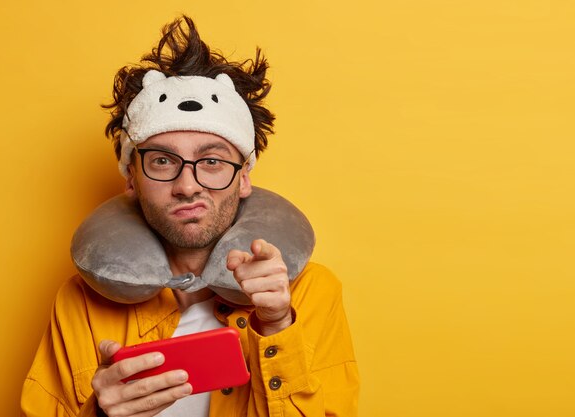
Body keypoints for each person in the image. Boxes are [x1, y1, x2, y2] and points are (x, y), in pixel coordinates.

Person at [21, 15, 359, 417]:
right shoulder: (80, 301)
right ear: (131, 177)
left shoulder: (310, 293)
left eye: (211, 160)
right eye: (163, 161)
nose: (187, 185)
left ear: (244, 177)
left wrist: (276, 324)